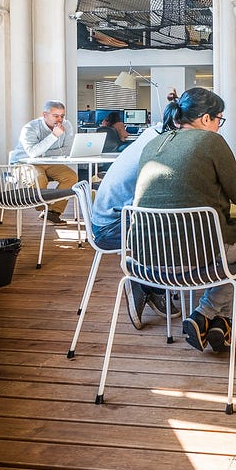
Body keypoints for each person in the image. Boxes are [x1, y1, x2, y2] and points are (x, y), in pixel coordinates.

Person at [133, 87, 236, 353]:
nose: (218, 126)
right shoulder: (211, 141)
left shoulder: (154, 143)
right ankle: (205, 312)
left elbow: (189, 186)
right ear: (205, 119)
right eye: (219, 119)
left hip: (145, 261)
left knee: (227, 257)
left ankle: (220, 327)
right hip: (195, 254)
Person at [88, 118, 182, 330]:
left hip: (107, 219)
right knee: (174, 228)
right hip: (111, 228)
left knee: (169, 220)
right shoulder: (160, 146)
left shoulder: (153, 134)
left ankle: (153, 287)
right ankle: (142, 279)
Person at [9, 99, 78, 223]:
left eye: (62, 116)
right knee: (39, 178)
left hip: (49, 162)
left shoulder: (66, 125)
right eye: (56, 116)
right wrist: (54, 136)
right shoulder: (30, 128)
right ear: (45, 115)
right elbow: (32, 153)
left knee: (71, 177)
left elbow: (67, 150)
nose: (60, 119)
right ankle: (43, 207)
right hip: (24, 163)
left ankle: (53, 212)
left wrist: (43, 153)